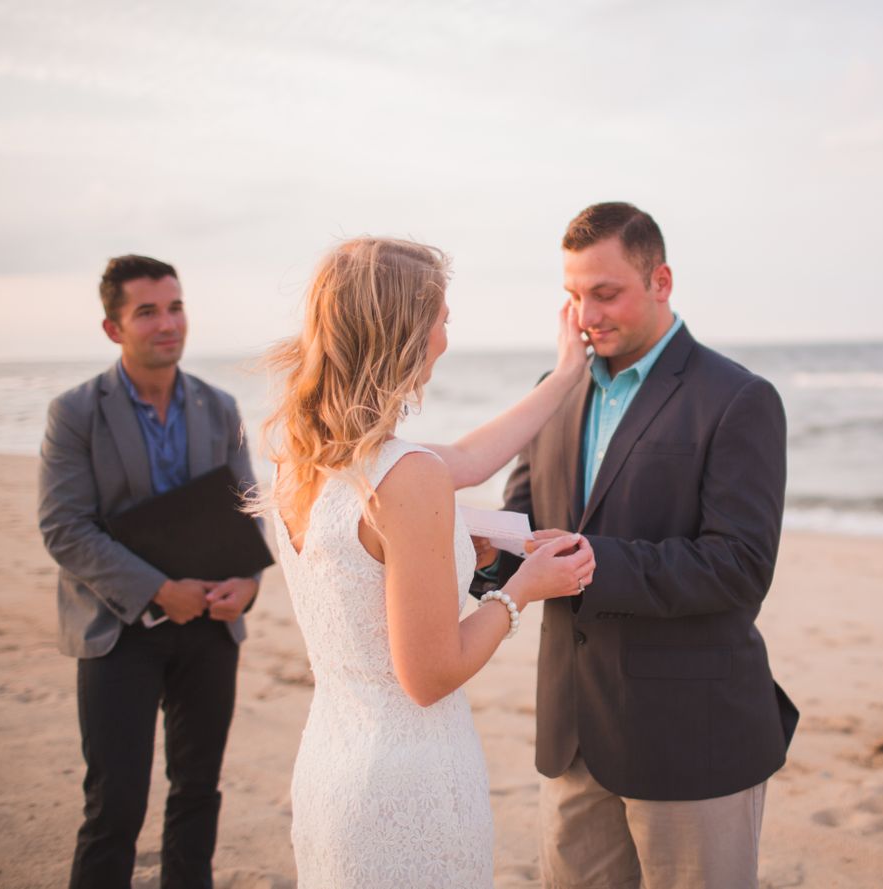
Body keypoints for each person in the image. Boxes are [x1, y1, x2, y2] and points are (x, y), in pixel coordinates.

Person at [472, 201, 799, 889]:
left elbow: (740, 565)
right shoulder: (552, 391)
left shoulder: (739, 398)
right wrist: (487, 553)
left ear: (661, 281)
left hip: (691, 739)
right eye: (572, 295)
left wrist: (600, 561)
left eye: (605, 292)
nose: (586, 314)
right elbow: (523, 513)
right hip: (573, 735)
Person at [258, 237, 596, 888]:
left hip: (331, 767)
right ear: (405, 333)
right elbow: (431, 673)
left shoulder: (303, 461)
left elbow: (462, 464)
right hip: (410, 784)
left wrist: (564, 375)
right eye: (441, 317)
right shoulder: (405, 476)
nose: (446, 335)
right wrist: (524, 587)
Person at [38, 255, 262, 889]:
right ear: (113, 329)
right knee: (115, 805)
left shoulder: (219, 407)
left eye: (175, 306)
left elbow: (249, 509)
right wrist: (159, 590)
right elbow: (64, 528)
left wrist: (247, 585)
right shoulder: (76, 413)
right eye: (147, 312)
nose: (168, 324)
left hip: (212, 630)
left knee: (198, 795)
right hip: (117, 631)